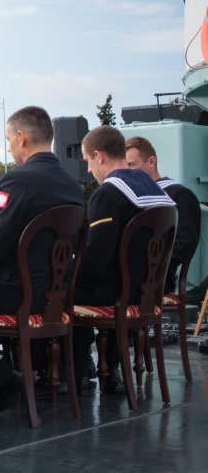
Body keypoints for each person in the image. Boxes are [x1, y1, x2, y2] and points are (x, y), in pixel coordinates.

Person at [0, 106, 85, 412]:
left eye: (9, 140)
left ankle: (0, 375)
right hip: (55, 294)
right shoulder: (73, 184)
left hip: (15, 292)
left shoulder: (17, 181)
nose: (10, 148)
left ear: (21, 137)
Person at [71, 126, 175, 388]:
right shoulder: (158, 193)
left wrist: (64, 274)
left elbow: (95, 260)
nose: (88, 170)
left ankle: (76, 371)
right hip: (146, 294)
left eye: (87, 162)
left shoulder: (108, 194)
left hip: (116, 295)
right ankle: (112, 368)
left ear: (99, 155)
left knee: (61, 290)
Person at [125, 136, 202, 293]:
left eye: (132, 165)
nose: (127, 172)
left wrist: (148, 260)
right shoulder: (128, 197)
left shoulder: (179, 195)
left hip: (155, 277)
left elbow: (185, 242)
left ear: (151, 162)